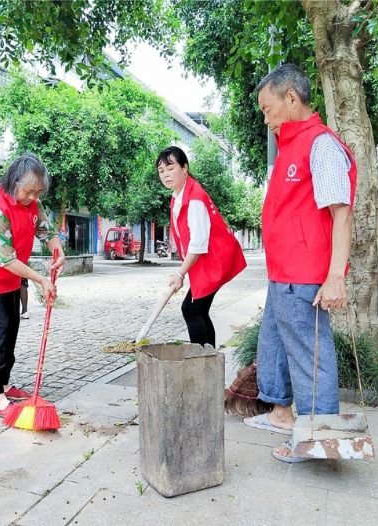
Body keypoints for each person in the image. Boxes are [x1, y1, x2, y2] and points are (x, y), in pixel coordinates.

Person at [245, 64, 356, 463]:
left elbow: (341, 214)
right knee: (273, 344)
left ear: (291, 98)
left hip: (304, 274)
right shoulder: (291, 145)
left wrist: (335, 278)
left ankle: (317, 435)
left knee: (310, 354)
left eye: (267, 107)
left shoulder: (320, 145)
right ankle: (280, 414)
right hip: (282, 274)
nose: (265, 116)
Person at [0, 153, 65, 416]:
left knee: (9, 330)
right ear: (13, 182)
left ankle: (4, 384)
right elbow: (5, 258)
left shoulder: (32, 204)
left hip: (9, 275)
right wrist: (40, 279)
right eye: (28, 192)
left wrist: (58, 251)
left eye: (37, 193)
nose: (32, 198)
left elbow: (47, 232)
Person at [157, 146, 247, 348]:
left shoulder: (194, 197)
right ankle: (209, 360)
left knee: (192, 310)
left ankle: (203, 362)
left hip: (213, 262)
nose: (165, 174)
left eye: (170, 168)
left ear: (185, 168)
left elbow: (198, 243)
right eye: (161, 171)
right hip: (205, 263)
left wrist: (180, 274)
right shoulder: (179, 196)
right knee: (197, 310)